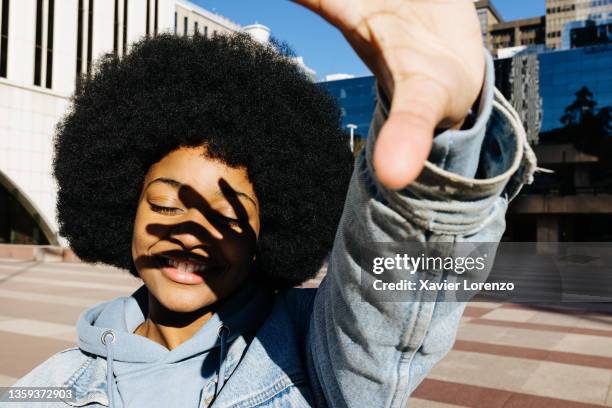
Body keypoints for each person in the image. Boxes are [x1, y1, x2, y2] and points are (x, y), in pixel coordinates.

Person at [2, 0, 537, 407]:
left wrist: (450, 128)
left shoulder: (316, 350)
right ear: (125, 210)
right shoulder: (45, 389)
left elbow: (391, 297)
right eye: (165, 204)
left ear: (271, 229)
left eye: (229, 212)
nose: (191, 229)